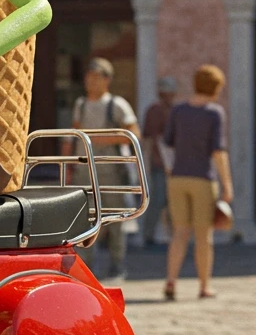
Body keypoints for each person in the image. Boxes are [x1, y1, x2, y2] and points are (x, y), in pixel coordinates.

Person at [163, 64, 232, 301]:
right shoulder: (214, 113)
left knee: (180, 232)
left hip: (178, 178)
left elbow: (167, 142)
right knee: (204, 236)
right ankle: (204, 286)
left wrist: (170, 169)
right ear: (215, 87)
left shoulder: (179, 110)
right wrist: (227, 184)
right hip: (203, 178)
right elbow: (218, 152)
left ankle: (171, 282)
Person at [70, 57, 140, 281]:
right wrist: (69, 162)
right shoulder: (80, 104)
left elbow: (133, 134)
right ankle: (87, 267)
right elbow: (73, 135)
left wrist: (99, 140)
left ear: (107, 79)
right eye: (88, 76)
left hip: (111, 171)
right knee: (87, 219)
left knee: (115, 219)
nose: (90, 81)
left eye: (96, 76)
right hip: (84, 170)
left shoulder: (117, 104)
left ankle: (117, 265)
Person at [141, 76, 177, 245]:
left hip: (176, 164)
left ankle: (174, 236)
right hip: (159, 163)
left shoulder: (176, 111)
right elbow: (149, 139)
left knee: (173, 201)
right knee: (158, 198)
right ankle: (148, 235)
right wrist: (147, 163)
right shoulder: (154, 111)